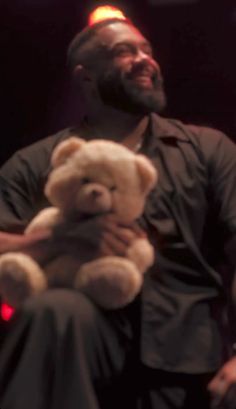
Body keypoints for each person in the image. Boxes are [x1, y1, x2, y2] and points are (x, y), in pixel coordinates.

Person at [0, 6, 236, 409]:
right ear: (85, 76)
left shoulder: (208, 149)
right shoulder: (36, 163)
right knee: (53, 311)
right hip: (82, 351)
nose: (146, 60)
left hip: (194, 356)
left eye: (147, 50)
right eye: (125, 52)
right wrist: (59, 238)